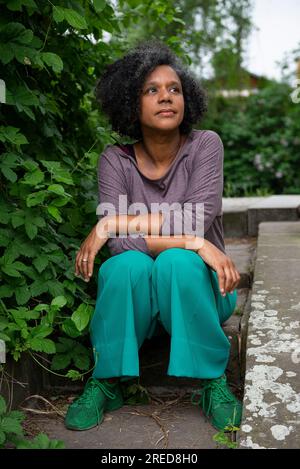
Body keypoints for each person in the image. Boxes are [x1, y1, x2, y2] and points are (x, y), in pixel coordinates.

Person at [64, 40, 242, 433]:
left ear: (187, 99)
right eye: (152, 90)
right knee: (125, 264)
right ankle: (108, 381)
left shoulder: (205, 146)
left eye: (174, 89)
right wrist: (193, 243)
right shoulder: (115, 160)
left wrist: (115, 222)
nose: (166, 97)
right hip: (142, 296)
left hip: (206, 288)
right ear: (131, 103)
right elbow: (122, 245)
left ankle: (212, 380)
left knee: (177, 263)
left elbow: (195, 218)